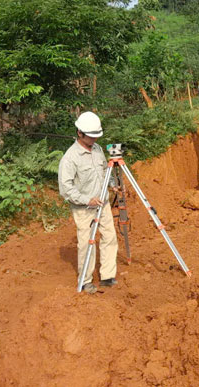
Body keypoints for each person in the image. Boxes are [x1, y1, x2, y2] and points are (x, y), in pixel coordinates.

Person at [58, 111, 118, 294]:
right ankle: (85, 280)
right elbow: (65, 188)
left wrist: (113, 185)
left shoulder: (98, 150)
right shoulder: (70, 158)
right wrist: (86, 200)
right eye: (90, 136)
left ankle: (107, 276)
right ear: (79, 133)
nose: (93, 139)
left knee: (110, 237)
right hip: (84, 208)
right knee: (86, 243)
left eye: (96, 136)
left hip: (103, 203)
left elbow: (104, 172)